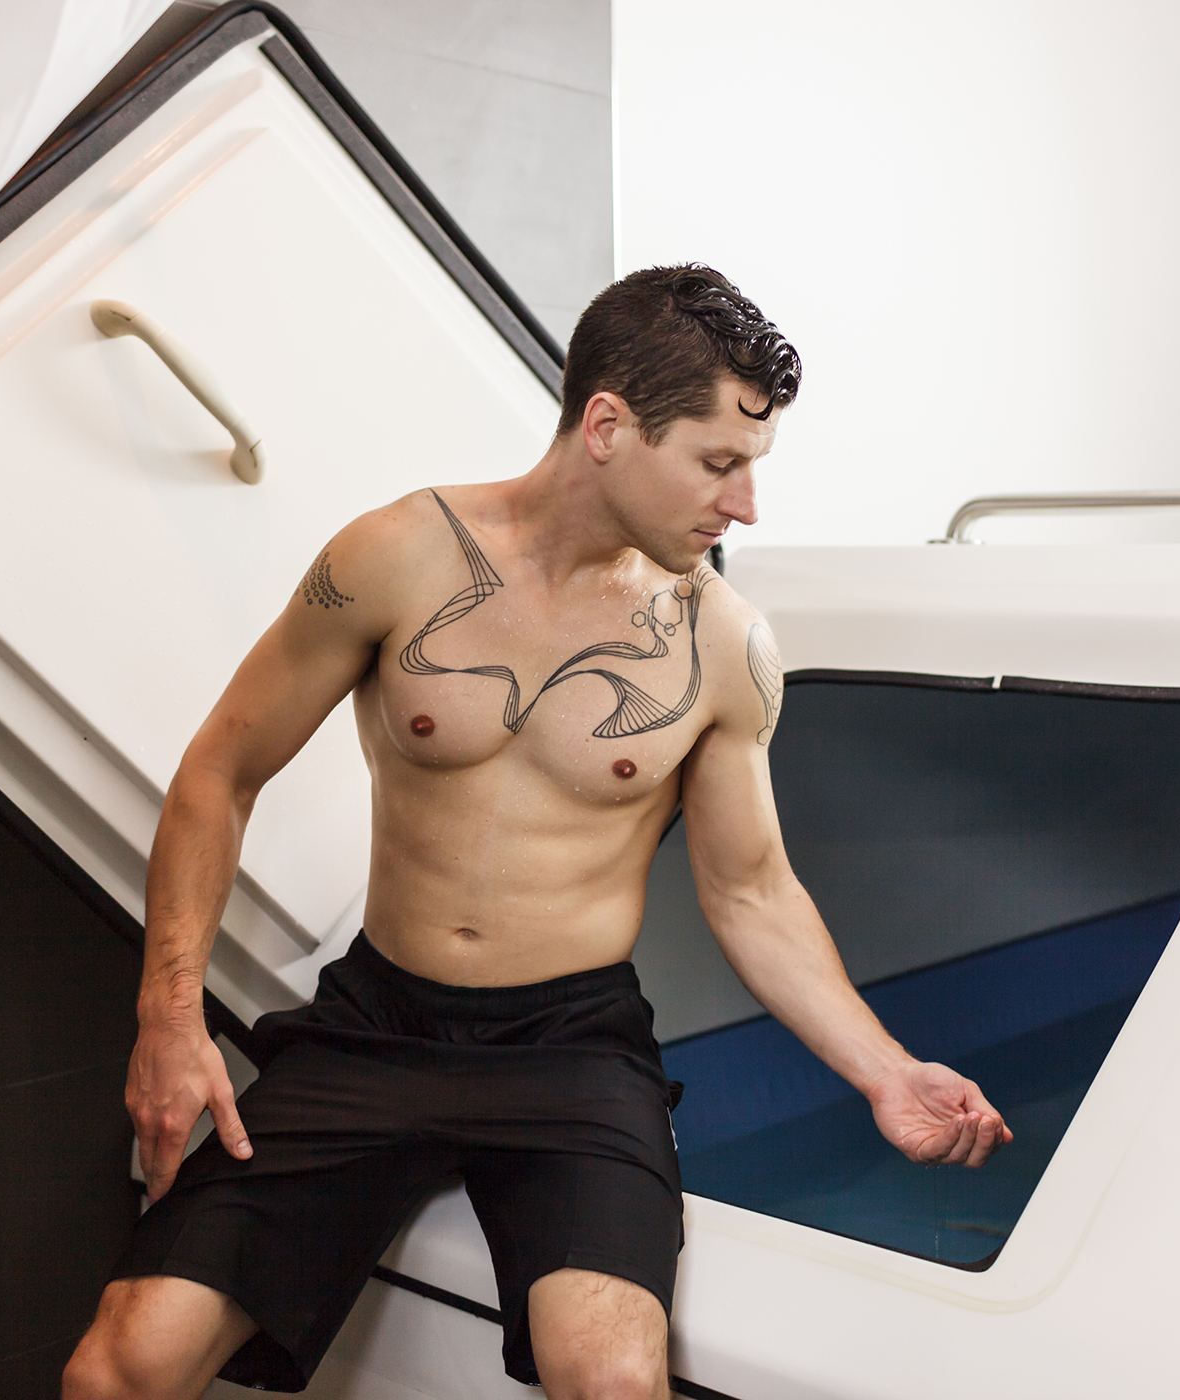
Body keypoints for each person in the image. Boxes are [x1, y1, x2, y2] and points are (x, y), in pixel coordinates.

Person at [62, 265, 1010, 1400]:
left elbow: (751, 890)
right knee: (117, 1369)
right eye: (719, 462)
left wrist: (887, 1071)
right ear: (607, 425)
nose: (747, 503)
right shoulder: (395, 556)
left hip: (571, 1048)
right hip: (375, 1026)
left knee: (612, 1381)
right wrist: (169, 1018)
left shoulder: (724, 644)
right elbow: (222, 770)